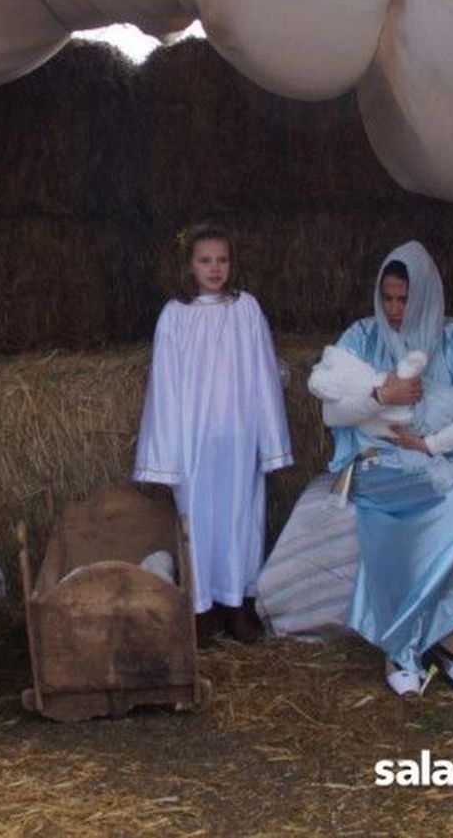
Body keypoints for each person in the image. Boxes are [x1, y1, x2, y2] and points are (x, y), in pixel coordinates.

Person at [308, 241, 453, 698]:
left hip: (447, 455)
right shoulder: (362, 336)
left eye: (403, 299)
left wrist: (430, 444)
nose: (393, 310)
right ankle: (416, 646)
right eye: (387, 298)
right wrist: (379, 398)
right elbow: (331, 409)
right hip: (379, 461)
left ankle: (431, 634)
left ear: (426, 296)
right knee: (405, 516)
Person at [133, 223, 292, 644]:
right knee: (198, 522)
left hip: (239, 438)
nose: (215, 268)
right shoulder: (175, 315)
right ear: (189, 265)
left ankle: (238, 606)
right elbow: (164, 387)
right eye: (206, 260)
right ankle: (200, 610)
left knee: (241, 519)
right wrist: (165, 454)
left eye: (222, 259)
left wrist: (271, 443)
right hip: (194, 443)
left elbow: (263, 376)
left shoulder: (246, 309)